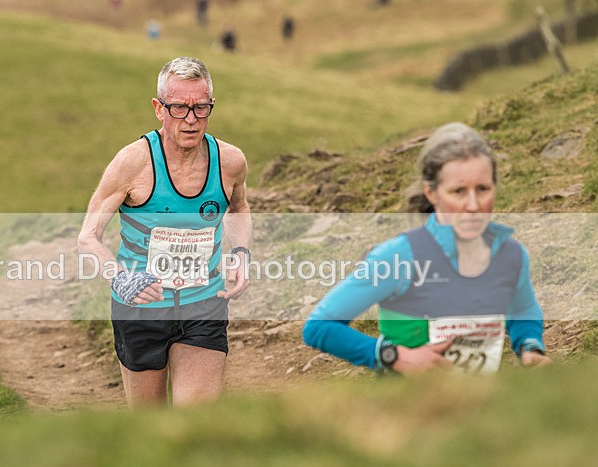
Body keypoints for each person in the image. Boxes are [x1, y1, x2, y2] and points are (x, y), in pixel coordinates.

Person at [303, 122, 551, 375]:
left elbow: (521, 309)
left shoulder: (510, 254)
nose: (474, 205)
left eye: (483, 189)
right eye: (458, 191)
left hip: (482, 407)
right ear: (431, 192)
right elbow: (319, 327)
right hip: (408, 407)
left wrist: (529, 347)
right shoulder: (398, 256)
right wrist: (392, 356)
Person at [79, 57, 251, 407]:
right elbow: (88, 236)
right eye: (179, 108)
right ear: (159, 108)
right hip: (140, 309)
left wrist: (241, 254)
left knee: (196, 422)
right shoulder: (132, 162)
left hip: (203, 304)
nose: (191, 119)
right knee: (150, 426)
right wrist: (118, 277)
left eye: (201, 108)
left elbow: (239, 208)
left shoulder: (230, 162)